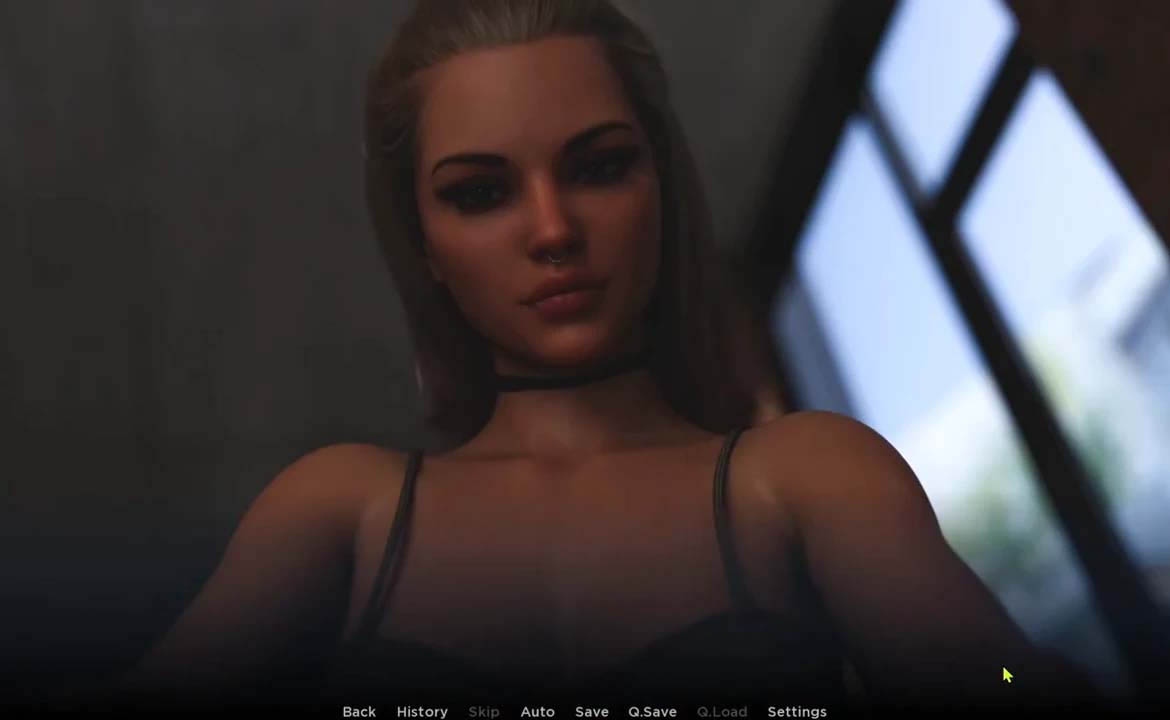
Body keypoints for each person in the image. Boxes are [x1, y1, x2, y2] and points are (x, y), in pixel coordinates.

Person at [119, 0, 1095, 713]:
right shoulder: (340, 509)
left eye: (597, 167)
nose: (553, 229)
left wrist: (1010, 671)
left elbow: (989, 671)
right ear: (425, 245)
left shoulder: (806, 476)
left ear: (660, 186)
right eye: (480, 193)